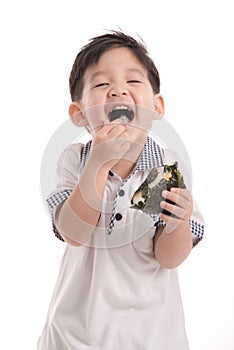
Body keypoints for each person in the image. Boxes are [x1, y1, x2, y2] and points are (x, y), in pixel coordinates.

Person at [38, 31, 204, 350]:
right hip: (77, 336)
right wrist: (98, 165)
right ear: (79, 114)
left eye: (133, 82)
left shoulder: (163, 168)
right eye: (101, 85)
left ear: (156, 106)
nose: (117, 91)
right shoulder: (74, 160)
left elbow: (169, 258)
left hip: (153, 335)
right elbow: (73, 232)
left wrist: (177, 222)